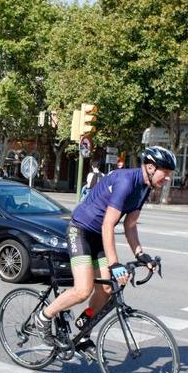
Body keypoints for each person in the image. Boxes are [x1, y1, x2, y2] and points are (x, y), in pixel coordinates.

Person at [33, 146, 176, 356]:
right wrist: (114, 263)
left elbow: (130, 225)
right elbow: (108, 225)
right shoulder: (126, 182)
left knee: (107, 290)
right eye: (167, 173)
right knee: (83, 290)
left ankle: (83, 331)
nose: (168, 178)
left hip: (98, 236)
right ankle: (44, 316)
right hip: (80, 230)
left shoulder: (145, 188)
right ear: (151, 167)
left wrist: (140, 254)